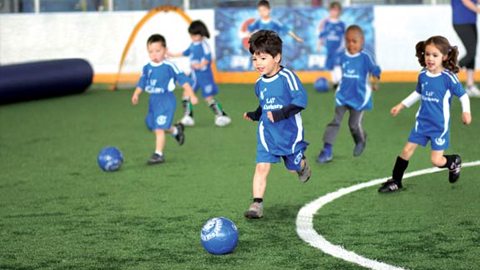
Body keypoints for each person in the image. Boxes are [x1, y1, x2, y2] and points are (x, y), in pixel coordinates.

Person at [378, 36, 472, 193]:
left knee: (436, 160)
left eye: (435, 55)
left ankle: (453, 162)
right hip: (421, 123)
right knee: (406, 150)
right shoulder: (423, 74)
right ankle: (395, 181)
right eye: (427, 54)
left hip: (439, 126)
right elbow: (418, 93)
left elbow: (463, 95)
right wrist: (401, 105)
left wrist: (466, 112)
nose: (430, 58)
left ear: (445, 57)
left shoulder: (448, 78)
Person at [243, 30, 311, 219]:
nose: (258, 64)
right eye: (254, 59)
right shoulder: (259, 83)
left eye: (263, 58)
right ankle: (256, 204)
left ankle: (302, 164)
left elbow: (301, 101)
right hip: (267, 132)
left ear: (277, 57)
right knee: (261, 167)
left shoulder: (287, 77)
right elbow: (264, 104)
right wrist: (256, 114)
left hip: (289, 133)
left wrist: (280, 114)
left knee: (292, 168)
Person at [317, 25, 381, 163]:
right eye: (348, 41)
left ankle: (360, 140)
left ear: (362, 41)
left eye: (354, 41)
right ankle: (327, 150)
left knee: (353, 124)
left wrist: (375, 82)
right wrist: (331, 84)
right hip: (342, 96)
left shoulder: (365, 58)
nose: (351, 44)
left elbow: (375, 70)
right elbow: (337, 74)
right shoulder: (341, 57)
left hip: (359, 98)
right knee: (335, 121)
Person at [131, 34, 198, 165]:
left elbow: (183, 81)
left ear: (165, 50)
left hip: (166, 100)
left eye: (158, 50)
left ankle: (158, 154)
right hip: (153, 100)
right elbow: (142, 82)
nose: (154, 54)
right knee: (154, 126)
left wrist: (192, 95)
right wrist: (136, 94)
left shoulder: (170, 66)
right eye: (151, 51)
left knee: (159, 129)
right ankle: (175, 130)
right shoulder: (147, 67)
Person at [169, 20, 231, 127]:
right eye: (191, 35)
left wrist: (201, 65)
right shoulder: (193, 44)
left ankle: (221, 115)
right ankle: (188, 116)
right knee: (186, 93)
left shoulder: (204, 45)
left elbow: (208, 58)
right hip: (194, 76)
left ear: (201, 34)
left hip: (204, 76)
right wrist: (173, 54)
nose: (192, 37)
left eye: (195, 35)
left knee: (208, 97)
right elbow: (186, 52)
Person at [452, 0, 480, 97]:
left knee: (472, 53)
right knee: (471, 53)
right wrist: (478, 10)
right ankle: (450, 72)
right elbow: (466, 1)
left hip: (471, 21)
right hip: (461, 21)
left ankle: (470, 85)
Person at [318, 1, 345, 89]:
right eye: (332, 10)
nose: (334, 12)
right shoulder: (326, 23)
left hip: (339, 49)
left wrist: (344, 46)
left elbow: (344, 36)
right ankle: (335, 82)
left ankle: (341, 83)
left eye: (336, 10)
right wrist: (319, 44)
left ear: (339, 12)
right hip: (329, 49)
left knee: (337, 65)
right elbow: (322, 34)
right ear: (329, 11)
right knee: (331, 66)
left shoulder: (341, 24)